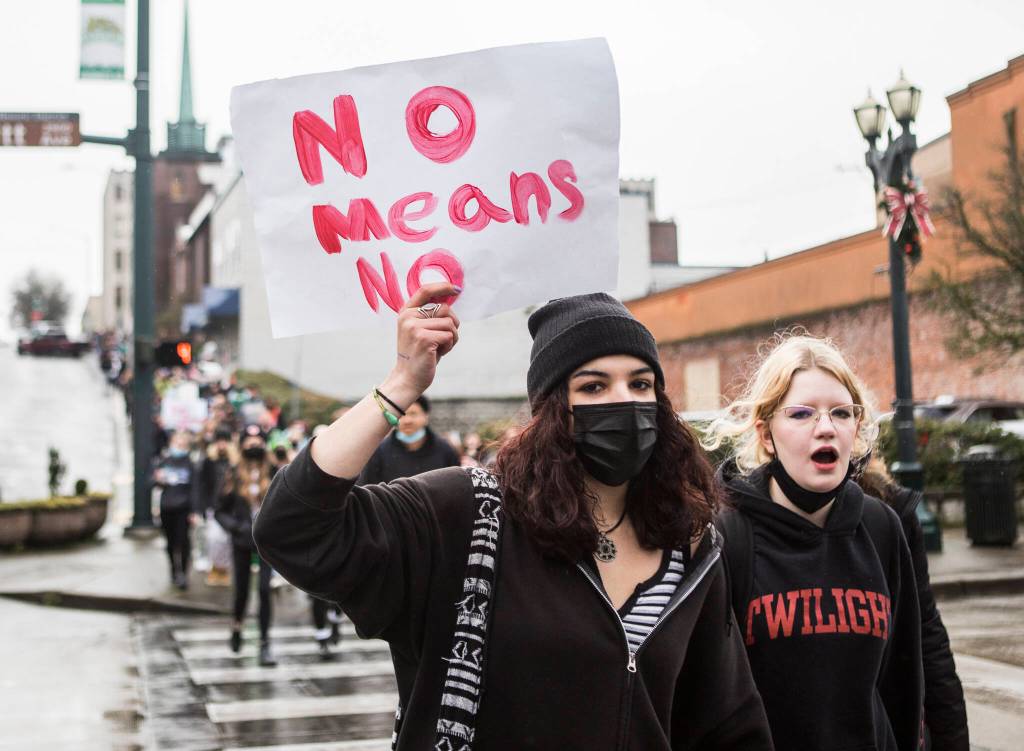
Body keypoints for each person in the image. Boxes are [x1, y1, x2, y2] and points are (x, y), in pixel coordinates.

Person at [253, 284, 772, 749]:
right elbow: (294, 529)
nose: (624, 401)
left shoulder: (691, 546)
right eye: (593, 387)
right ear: (550, 410)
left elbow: (726, 723)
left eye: (640, 385)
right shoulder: (465, 515)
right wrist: (400, 385)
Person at [704, 334, 923, 751]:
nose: (825, 428)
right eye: (802, 414)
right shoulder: (727, 535)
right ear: (766, 434)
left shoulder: (881, 527)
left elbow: (904, 680)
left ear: (856, 427)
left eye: (841, 413)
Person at [858, 458, 969, 751]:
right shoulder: (744, 526)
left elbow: (925, 638)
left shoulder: (888, 513)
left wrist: (952, 740)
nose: (825, 427)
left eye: (841, 413)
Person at [215, 425, 277, 666]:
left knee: (263, 589)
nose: (253, 446)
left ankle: (264, 642)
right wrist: (236, 527)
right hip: (241, 539)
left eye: (257, 441)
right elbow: (220, 510)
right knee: (241, 590)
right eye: (248, 442)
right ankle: (237, 625)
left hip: (266, 541)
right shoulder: (233, 472)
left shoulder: (273, 471)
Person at [357, 393, 460, 484]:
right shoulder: (379, 451)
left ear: (426, 417)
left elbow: (455, 486)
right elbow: (368, 488)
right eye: (401, 415)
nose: (407, 420)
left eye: (413, 414)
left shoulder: (445, 450)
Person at [154, 431, 200, 590]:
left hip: (183, 509)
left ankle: (183, 573)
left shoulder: (190, 464)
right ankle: (173, 570)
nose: (179, 446)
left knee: (183, 541)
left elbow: (195, 488)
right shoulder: (163, 461)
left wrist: (194, 511)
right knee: (170, 543)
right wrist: (158, 479)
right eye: (177, 442)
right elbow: (152, 482)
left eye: (182, 443)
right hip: (166, 508)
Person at [199, 427, 236, 587]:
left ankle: (224, 570)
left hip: (230, 507)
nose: (222, 445)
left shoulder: (234, 462)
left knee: (227, 540)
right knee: (213, 539)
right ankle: (215, 568)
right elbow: (203, 484)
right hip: (213, 506)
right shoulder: (209, 461)